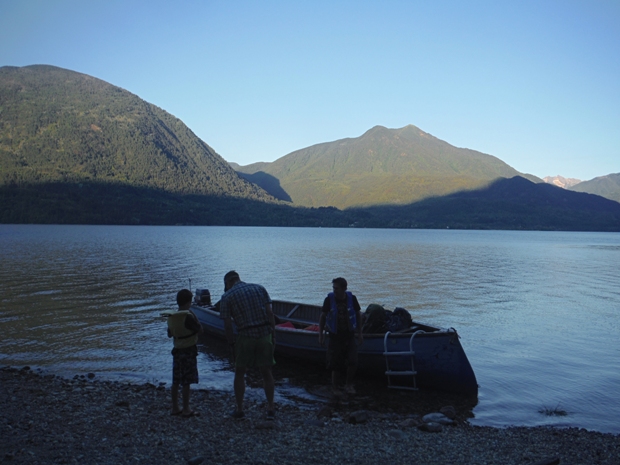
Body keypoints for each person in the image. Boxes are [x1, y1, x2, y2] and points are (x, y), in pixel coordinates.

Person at [219, 271, 276, 420]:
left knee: (239, 373)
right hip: (264, 334)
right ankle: (270, 407)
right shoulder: (259, 288)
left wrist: (231, 343)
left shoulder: (227, 297)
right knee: (266, 372)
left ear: (227, 283)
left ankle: (239, 409)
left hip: (245, 336)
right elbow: (270, 313)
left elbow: (227, 325)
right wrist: (273, 333)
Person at [318, 277, 363, 396]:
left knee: (353, 361)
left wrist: (360, 334)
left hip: (349, 335)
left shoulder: (352, 299)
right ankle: (335, 388)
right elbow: (322, 317)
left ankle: (348, 385)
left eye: (336, 288)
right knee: (335, 364)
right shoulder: (329, 299)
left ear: (344, 289)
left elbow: (358, 315)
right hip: (335, 336)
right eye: (333, 288)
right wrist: (321, 335)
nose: (334, 290)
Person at [167, 288, 203, 417]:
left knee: (176, 380)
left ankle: (175, 407)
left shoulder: (172, 317)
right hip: (189, 351)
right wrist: (195, 317)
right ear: (188, 302)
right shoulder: (188, 317)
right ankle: (186, 408)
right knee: (186, 381)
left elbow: (169, 334)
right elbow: (200, 330)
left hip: (177, 351)